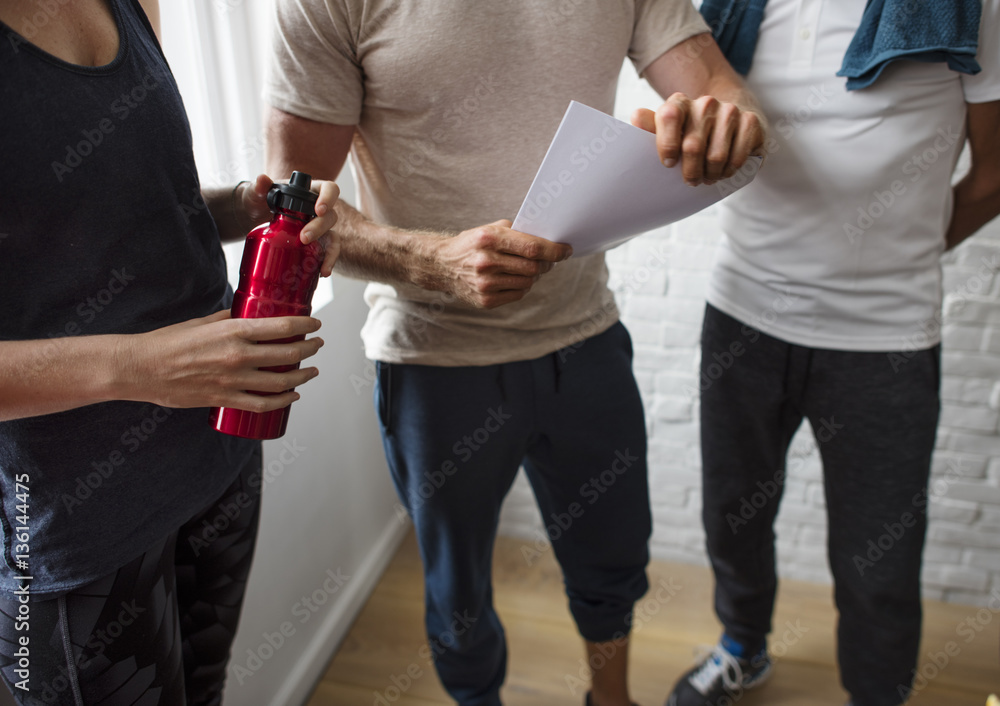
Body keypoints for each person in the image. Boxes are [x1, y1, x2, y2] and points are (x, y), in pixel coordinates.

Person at [264, 2, 767, 705]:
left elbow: (719, 84)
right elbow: (292, 209)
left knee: (614, 559)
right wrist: (432, 260)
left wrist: (730, 116)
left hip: (584, 337)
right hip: (433, 362)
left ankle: (611, 700)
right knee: (458, 593)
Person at [0, 0, 340, 703]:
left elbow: (126, 209)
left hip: (218, 454)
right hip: (73, 519)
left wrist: (240, 209)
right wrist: (137, 366)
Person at [664, 1, 1000, 706]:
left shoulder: (973, 8)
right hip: (743, 314)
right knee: (733, 516)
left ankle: (877, 694)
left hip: (885, 337)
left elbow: (995, 172)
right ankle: (741, 648)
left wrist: (897, 260)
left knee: (878, 559)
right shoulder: (731, 7)